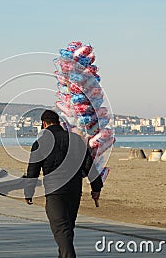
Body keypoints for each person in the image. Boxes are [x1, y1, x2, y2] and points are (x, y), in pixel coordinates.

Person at [24, 110, 103, 258]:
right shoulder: (76, 140)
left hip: (55, 192)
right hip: (74, 191)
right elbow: (89, 165)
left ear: (44, 124)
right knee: (67, 229)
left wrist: (29, 192)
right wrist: (96, 187)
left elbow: (32, 171)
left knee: (61, 229)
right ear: (59, 123)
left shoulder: (41, 143)